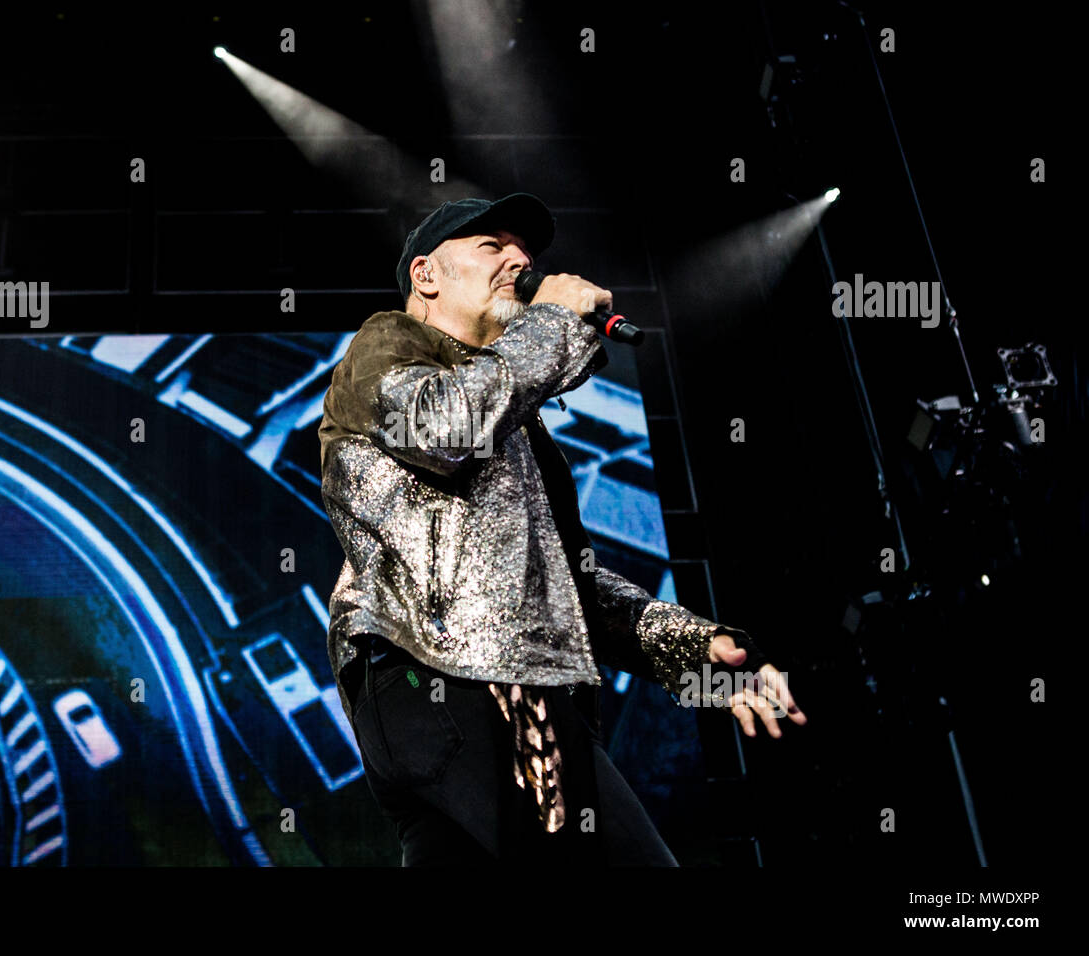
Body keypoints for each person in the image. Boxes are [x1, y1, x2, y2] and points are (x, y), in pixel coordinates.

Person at [318, 192, 805, 865]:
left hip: (433, 704)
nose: (519, 260)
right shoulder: (390, 342)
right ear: (426, 275)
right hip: (470, 680)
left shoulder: (509, 415)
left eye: (525, 252)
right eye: (492, 246)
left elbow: (565, 582)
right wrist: (551, 320)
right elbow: (439, 426)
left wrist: (697, 649)